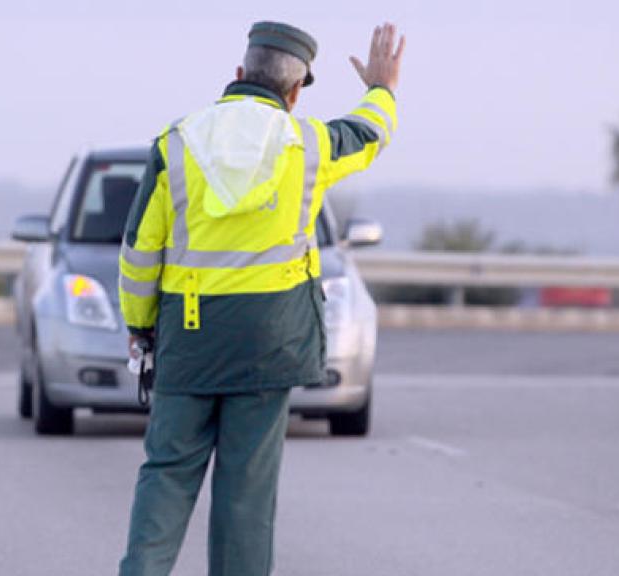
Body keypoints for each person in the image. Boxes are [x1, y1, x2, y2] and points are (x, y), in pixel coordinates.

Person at [117, 20, 405, 576]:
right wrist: (381, 89)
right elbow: (370, 132)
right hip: (270, 346)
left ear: (238, 73)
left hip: (190, 340)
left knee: (167, 474)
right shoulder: (309, 145)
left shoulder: (176, 144)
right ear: (295, 92)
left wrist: (140, 327)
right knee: (247, 491)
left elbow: (139, 252)